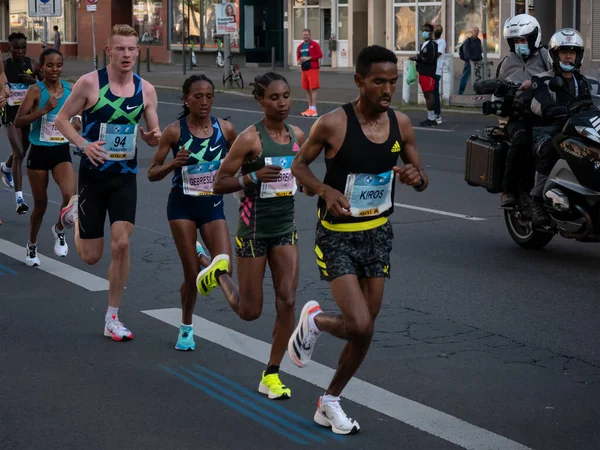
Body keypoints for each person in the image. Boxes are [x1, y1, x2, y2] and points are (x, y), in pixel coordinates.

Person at [288, 45, 428, 435]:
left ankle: (328, 392)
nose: (387, 90)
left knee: (363, 328)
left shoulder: (402, 124)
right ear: (359, 81)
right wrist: (324, 191)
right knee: (361, 325)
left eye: (393, 82)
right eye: (378, 81)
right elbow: (300, 166)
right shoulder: (333, 123)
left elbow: (420, 173)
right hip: (337, 237)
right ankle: (321, 352)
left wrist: (417, 178)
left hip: (378, 234)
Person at [196, 72, 305, 400]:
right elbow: (219, 182)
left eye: (286, 96)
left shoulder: (298, 134)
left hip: (285, 228)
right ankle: (219, 273)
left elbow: (302, 170)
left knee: (287, 301)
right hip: (253, 230)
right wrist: (252, 177)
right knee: (249, 311)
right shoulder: (249, 139)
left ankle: (271, 373)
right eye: (274, 97)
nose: (282, 103)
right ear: (260, 100)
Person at [55, 24, 161, 341]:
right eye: (120, 49)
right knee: (91, 257)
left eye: (131, 48)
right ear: (109, 51)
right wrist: (83, 144)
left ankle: (112, 316)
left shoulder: (147, 90)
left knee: (122, 244)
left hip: (125, 177)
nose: (126, 54)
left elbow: (154, 136)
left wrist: (151, 137)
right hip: (92, 175)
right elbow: (61, 119)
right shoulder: (90, 84)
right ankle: (72, 213)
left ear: (137, 52)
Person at [148, 74, 237, 351]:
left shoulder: (226, 129)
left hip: (212, 205)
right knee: (190, 276)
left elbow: (240, 161)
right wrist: (174, 163)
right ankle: (186, 327)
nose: (204, 102)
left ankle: (201, 255)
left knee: (225, 266)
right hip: (182, 206)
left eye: (209, 96)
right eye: (198, 96)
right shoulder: (174, 131)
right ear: (186, 99)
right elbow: (152, 172)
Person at [14, 49, 81, 266]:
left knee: (70, 197)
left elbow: (80, 112)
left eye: (59, 65)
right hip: (39, 152)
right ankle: (31, 245)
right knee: (40, 205)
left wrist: (77, 121)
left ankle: (59, 229)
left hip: (61, 150)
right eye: (50, 65)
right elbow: (19, 121)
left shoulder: (70, 90)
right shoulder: (36, 90)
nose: (54, 70)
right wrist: (43, 111)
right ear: (41, 67)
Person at [530, 29, 592, 226]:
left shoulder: (585, 82)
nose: (568, 56)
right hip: (550, 128)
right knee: (551, 146)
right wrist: (557, 108)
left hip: (579, 128)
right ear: (555, 55)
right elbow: (543, 103)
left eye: (572, 52)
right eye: (564, 52)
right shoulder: (542, 79)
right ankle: (537, 199)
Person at [496, 14, 549, 208]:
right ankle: (509, 189)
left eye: (523, 40)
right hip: (519, 117)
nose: (520, 44)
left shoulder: (546, 57)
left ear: (534, 38)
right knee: (521, 139)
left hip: (546, 115)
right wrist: (503, 93)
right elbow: (497, 90)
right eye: (516, 41)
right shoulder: (507, 63)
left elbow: (559, 78)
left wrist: (536, 83)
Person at [0, 32, 42, 214]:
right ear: (9, 48)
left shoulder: (32, 65)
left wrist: (34, 82)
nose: (20, 51)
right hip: (10, 115)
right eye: (16, 48)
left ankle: (5, 167)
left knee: (22, 150)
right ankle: (19, 199)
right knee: (19, 151)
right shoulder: (3, 67)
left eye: (23, 47)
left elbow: (47, 85)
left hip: (27, 114)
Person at [410, 23, 438, 127]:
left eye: (426, 30)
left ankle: (432, 119)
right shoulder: (424, 45)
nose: (424, 32)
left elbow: (430, 59)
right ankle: (430, 117)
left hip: (429, 73)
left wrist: (417, 58)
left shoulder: (432, 45)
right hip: (422, 73)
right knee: (426, 95)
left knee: (429, 94)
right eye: (423, 30)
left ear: (431, 33)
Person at [297, 29, 323, 117]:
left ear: (309, 35)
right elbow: (298, 58)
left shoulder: (314, 44)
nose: (305, 36)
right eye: (304, 35)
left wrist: (309, 58)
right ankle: (310, 108)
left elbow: (320, 55)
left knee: (313, 89)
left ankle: (314, 109)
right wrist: (299, 61)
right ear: (302, 36)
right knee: (307, 89)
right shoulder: (300, 47)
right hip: (304, 70)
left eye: (307, 35)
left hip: (313, 69)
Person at [457, 27, 483, 95]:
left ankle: (477, 92)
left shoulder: (479, 41)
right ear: (472, 32)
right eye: (475, 31)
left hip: (478, 62)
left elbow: (480, 51)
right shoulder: (468, 41)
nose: (476, 32)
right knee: (465, 77)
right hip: (469, 62)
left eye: (477, 31)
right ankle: (460, 92)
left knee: (477, 78)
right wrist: (469, 60)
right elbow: (466, 51)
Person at [433, 24, 446, 124]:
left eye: (437, 30)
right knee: (430, 94)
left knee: (435, 93)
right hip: (429, 70)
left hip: (436, 71)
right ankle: (431, 114)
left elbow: (437, 55)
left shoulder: (441, 42)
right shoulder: (431, 42)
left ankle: (437, 114)